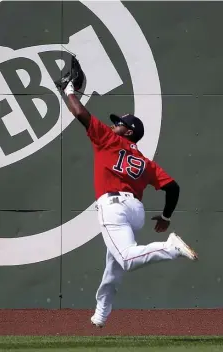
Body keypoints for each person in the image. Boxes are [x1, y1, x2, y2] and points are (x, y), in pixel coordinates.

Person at [55, 61, 198, 328]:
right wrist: (166, 215)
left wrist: (68, 92)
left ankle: (170, 248)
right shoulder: (145, 161)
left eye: (119, 124)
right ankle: (101, 313)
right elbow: (173, 187)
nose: (114, 126)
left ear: (129, 132)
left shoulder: (109, 141)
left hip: (113, 207)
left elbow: (81, 114)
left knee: (126, 259)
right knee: (114, 265)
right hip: (134, 212)